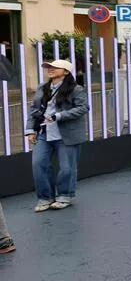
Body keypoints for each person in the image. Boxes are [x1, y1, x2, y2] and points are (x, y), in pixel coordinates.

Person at [25, 59, 89, 212]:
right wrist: (30, 130)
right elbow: (34, 109)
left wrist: (59, 116)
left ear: (66, 72)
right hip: (44, 132)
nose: (50, 69)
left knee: (67, 168)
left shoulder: (76, 89)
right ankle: (45, 197)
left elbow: (83, 108)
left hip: (66, 134)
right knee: (38, 164)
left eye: (55, 67)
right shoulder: (43, 87)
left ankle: (64, 195)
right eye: (48, 67)